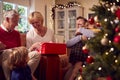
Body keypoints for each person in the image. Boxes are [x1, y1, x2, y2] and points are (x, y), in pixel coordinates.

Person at [0, 10, 40, 80]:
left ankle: (25, 76)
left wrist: (31, 48)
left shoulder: (16, 33)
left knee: (36, 54)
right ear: (7, 19)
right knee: (8, 52)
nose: (17, 24)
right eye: (15, 21)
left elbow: (20, 50)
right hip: (4, 57)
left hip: (16, 56)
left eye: (17, 21)